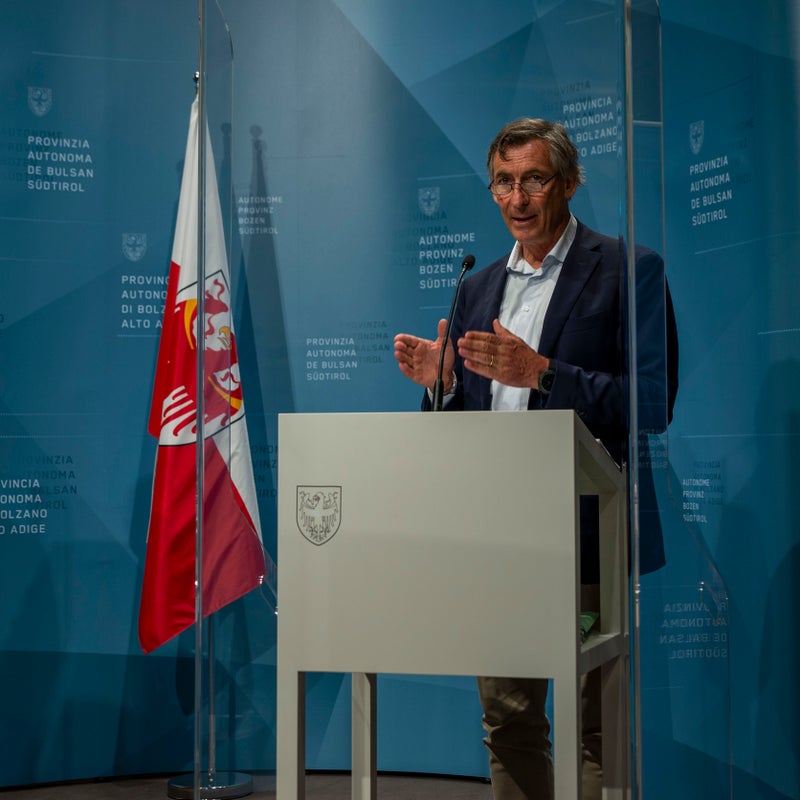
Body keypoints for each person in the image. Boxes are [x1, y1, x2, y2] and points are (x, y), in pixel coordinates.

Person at [394, 118, 678, 799]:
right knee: (509, 722)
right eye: (503, 182)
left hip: (587, 540)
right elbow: (464, 428)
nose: (517, 198)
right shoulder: (477, 287)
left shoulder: (628, 270)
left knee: (595, 726)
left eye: (534, 180)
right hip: (498, 539)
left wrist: (544, 373)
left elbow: (652, 401)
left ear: (570, 182)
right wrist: (443, 386)